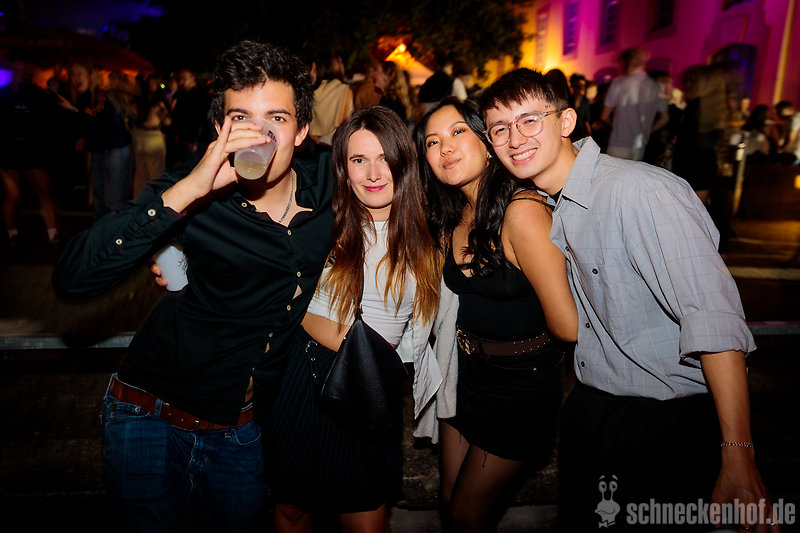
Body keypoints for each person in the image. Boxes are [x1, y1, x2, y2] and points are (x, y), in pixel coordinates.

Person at [51, 41, 334, 531]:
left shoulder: (329, 184)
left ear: (302, 129)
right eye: (241, 117)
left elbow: (400, 172)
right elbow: (73, 278)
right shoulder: (192, 190)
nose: (260, 133)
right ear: (221, 127)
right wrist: (190, 192)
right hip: (149, 418)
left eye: (277, 118)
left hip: (241, 429)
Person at [480, 68, 775, 532]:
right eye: (500, 128)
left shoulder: (640, 192)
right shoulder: (553, 204)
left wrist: (737, 452)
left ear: (566, 121)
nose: (515, 138)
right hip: (595, 412)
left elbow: (713, 319)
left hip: (663, 423)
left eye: (529, 120)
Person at [265, 106, 441, 533]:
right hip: (302, 372)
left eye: (384, 158)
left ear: (404, 161)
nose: (373, 173)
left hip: (367, 385)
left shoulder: (431, 235)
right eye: (359, 159)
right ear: (343, 168)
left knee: (365, 515)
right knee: (292, 509)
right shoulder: (323, 223)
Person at [414, 97, 578, 533]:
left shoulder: (523, 213)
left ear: (488, 143)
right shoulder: (453, 213)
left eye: (457, 132)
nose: (445, 148)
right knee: (450, 501)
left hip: (520, 385)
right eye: (432, 141)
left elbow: (568, 324)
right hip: (466, 374)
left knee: (466, 512)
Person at [0, 61, 60, 246]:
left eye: (23, 69)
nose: (20, 73)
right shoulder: (4, 93)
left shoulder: (36, 93)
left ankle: (53, 234)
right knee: (13, 195)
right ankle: (12, 234)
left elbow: (51, 113)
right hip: (8, 151)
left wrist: (54, 92)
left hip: (32, 151)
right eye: (16, 69)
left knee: (43, 191)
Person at [600, 47, 668, 161]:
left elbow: (604, 116)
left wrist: (616, 125)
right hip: (640, 145)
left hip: (619, 143)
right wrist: (647, 131)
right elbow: (665, 118)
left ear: (627, 62)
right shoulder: (655, 86)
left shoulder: (619, 83)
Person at [308, 54, 354, 146]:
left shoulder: (312, 94)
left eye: (315, 70)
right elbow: (347, 121)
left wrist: (319, 140)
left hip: (315, 145)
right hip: (336, 144)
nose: (311, 74)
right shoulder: (343, 90)